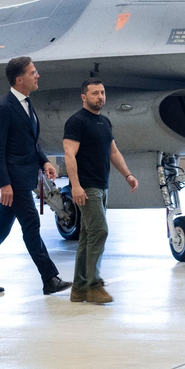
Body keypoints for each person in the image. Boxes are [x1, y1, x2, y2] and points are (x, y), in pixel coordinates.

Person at [0, 56, 72, 295]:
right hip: (14, 180)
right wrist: (5, 183)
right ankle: (49, 278)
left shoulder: (26, 103)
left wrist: (44, 161)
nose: (37, 75)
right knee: (31, 225)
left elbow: (30, 141)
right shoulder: (3, 107)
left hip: (25, 176)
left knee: (1, 227)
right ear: (19, 79)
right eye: (32, 72)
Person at [63, 79, 137, 304]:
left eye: (102, 92)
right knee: (99, 231)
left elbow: (113, 152)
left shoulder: (104, 122)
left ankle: (79, 288)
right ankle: (93, 284)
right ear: (84, 97)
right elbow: (69, 155)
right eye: (95, 93)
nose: (100, 97)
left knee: (88, 236)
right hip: (87, 187)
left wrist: (128, 175)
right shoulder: (76, 122)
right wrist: (75, 185)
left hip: (102, 185)